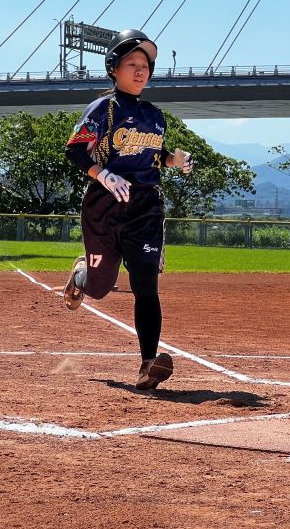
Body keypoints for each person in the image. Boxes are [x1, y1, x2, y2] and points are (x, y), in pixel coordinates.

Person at [63, 29, 193, 390]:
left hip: (145, 208)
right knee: (100, 288)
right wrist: (103, 174)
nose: (141, 71)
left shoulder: (155, 115)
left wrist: (176, 160)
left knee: (145, 284)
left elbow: (154, 158)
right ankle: (80, 276)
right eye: (132, 64)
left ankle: (147, 365)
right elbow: (74, 150)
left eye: (146, 66)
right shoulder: (103, 109)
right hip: (105, 206)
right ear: (113, 68)